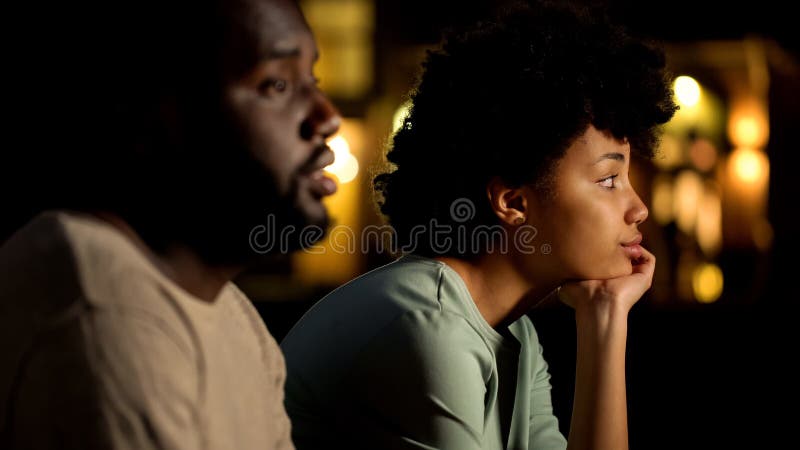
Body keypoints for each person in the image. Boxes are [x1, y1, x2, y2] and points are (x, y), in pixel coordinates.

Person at [280, 1, 677, 449]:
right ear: (512, 202)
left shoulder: (512, 332)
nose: (639, 208)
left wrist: (604, 317)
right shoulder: (426, 324)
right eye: (608, 180)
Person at [0, 0, 340, 448]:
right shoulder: (104, 306)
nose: (326, 117)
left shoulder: (234, 316)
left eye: (311, 82)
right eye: (276, 84)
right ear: (150, 109)